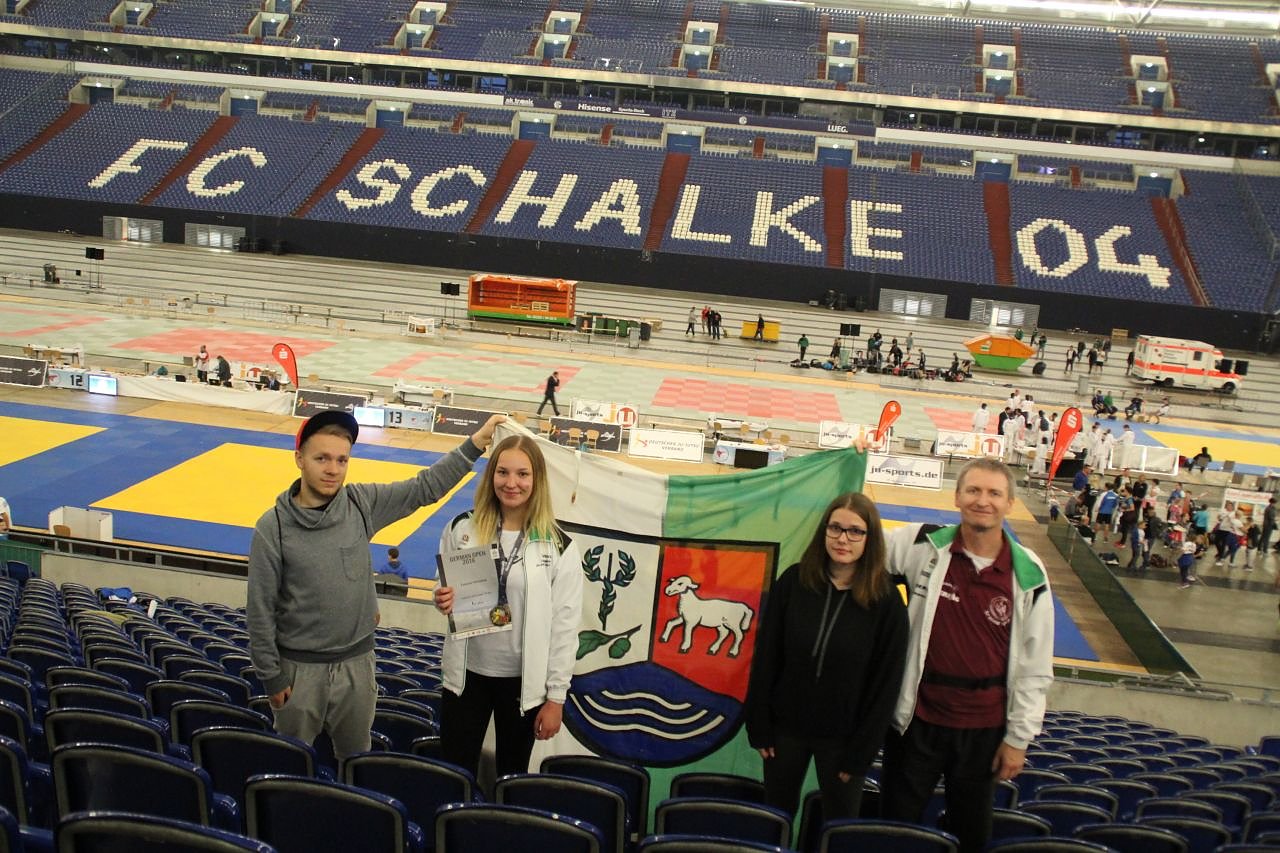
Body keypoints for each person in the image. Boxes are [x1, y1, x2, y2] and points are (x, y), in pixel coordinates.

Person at [247, 410, 504, 761]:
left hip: (357, 666)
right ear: (299, 459)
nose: (333, 469)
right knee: (293, 760)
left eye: (342, 460)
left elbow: (424, 487)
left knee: (356, 759)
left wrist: (475, 444)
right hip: (298, 671)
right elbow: (259, 610)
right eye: (322, 458)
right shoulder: (272, 527)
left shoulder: (360, 504)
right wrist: (272, 678)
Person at [881, 458, 1054, 853]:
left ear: (1010, 503)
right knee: (896, 829)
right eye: (973, 490)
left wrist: (1019, 738)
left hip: (984, 731)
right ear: (957, 497)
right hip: (916, 722)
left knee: (971, 835)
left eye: (994, 493)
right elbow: (859, 545)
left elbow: (1035, 664)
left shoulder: (1029, 572)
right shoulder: (923, 543)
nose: (983, 501)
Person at [745, 493, 907, 821]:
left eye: (855, 531)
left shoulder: (886, 602)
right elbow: (766, 657)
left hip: (844, 741)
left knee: (839, 825)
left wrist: (862, 752)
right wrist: (759, 724)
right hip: (784, 732)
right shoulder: (793, 581)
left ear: (870, 538)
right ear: (824, 531)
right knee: (775, 818)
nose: (842, 539)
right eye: (835, 528)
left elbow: (886, 686)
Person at [434, 434, 583, 781]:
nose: (511, 483)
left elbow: (564, 629)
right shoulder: (462, 528)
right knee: (454, 773)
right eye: (502, 472)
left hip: (522, 684)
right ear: (491, 476)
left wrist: (556, 698)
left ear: (537, 480)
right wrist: (441, 598)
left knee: (511, 775)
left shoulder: (559, 547)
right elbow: (443, 588)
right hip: (466, 676)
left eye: (522, 474)